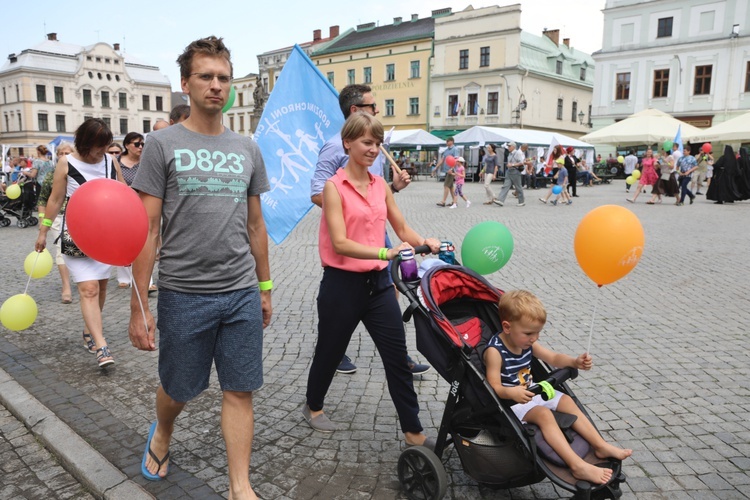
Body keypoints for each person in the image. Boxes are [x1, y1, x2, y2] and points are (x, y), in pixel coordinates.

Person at [128, 36, 271, 498]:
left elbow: (255, 225)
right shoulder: (161, 144)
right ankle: (164, 432)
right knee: (179, 388)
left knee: (240, 389)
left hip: (240, 292)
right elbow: (147, 230)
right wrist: (138, 306)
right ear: (186, 84)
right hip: (183, 293)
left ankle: (239, 486)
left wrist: (264, 286)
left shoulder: (247, 148)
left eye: (223, 78)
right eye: (206, 77)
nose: (216, 86)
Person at [302, 112, 440, 449]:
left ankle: (413, 431)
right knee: (330, 353)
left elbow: (402, 228)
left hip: (378, 287)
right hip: (341, 286)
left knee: (397, 357)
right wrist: (385, 253)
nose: (373, 149)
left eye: (377, 143)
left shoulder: (380, 186)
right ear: (347, 143)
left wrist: (426, 242)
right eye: (367, 142)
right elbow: (340, 243)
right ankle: (313, 405)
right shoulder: (334, 188)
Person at [310, 83, 428, 376]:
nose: (377, 110)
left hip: (378, 231)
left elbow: (376, 194)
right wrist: (349, 207)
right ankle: (334, 352)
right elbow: (317, 193)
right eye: (372, 106)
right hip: (351, 240)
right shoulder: (334, 147)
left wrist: (392, 189)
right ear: (355, 111)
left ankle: (400, 357)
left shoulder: (374, 145)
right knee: (343, 311)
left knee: (389, 292)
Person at [484, 290, 632, 484]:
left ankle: (600, 445)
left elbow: (552, 357)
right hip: (511, 401)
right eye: (529, 333)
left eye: (538, 332)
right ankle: (577, 465)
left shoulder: (526, 343)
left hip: (531, 390)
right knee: (544, 415)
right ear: (507, 327)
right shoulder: (495, 352)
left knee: (566, 400)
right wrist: (511, 392)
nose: (534, 338)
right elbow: (493, 386)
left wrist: (574, 361)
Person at [35, 118, 126, 369]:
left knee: (102, 287)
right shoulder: (67, 162)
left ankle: (89, 330)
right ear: (85, 143)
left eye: (105, 145)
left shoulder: (111, 161)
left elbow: (123, 194)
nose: (101, 151)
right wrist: (43, 231)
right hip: (76, 233)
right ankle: (101, 346)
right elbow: (54, 201)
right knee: (89, 289)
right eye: (98, 146)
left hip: (105, 235)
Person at [115, 133, 157, 292]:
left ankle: (148, 280)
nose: (140, 147)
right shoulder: (117, 162)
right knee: (122, 240)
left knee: (142, 240)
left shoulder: (146, 162)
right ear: (126, 145)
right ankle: (124, 276)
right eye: (137, 144)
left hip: (143, 204)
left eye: (142, 144)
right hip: (121, 206)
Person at [36, 141, 75, 304]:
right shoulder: (51, 175)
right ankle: (66, 287)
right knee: (61, 250)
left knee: (77, 250)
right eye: (61, 154)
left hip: (77, 217)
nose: (64, 157)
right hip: (57, 217)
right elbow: (43, 199)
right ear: (57, 156)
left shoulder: (78, 174)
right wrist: (42, 220)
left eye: (67, 154)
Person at [493, 142, 525, 207]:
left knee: (518, 187)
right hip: (509, 171)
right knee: (505, 186)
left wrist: (512, 165)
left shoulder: (517, 153)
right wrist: (508, 165)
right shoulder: (509, 154)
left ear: (513, 146)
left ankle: (521, 201)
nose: (508, 147)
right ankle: (500, 200)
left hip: (515, 171)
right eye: (508, 146)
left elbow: (521, 163)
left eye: (509, 146)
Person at [435, 137, 459, 206]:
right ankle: (454, 201)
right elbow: (442, 159)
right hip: (447, 170)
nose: (446, 142)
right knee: (451, 187)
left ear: (452, 141)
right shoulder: (446, 150)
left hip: (451, 171)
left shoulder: (455, 149)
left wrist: (451, 169)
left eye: (447, 141)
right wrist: (436, 167)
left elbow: (456, 160)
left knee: (446, 185)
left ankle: (443, 201)